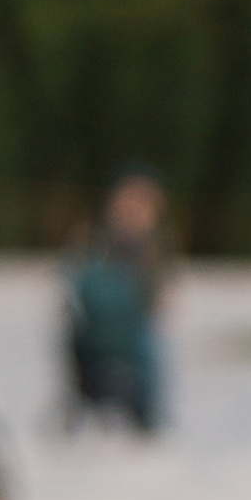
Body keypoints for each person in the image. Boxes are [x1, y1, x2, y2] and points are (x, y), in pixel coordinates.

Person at [60, 172, 169, 434]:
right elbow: (77, 291)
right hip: (95, 341)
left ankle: (146, 411)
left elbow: (160, 303)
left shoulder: (153, 254)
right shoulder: (92, 246)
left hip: (132, 344)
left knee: (150, 342)